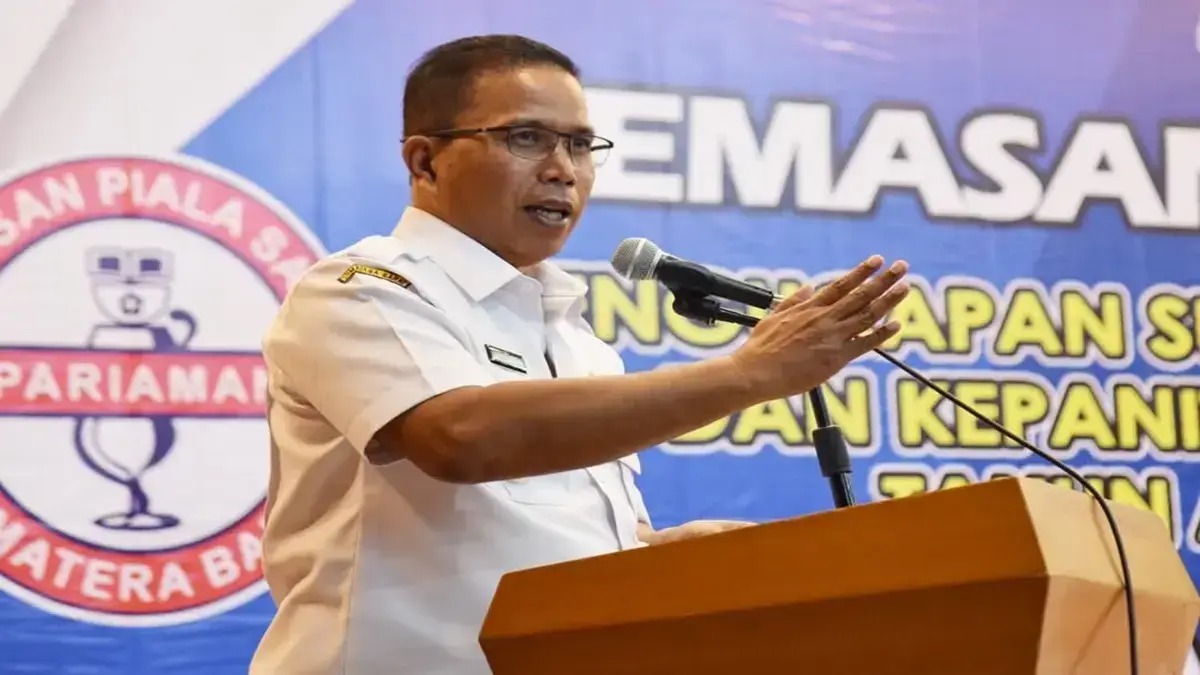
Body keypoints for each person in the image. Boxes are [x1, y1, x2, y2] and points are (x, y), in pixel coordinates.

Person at [248, 34, 911, 675]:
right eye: (525, 138)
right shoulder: (362, 288)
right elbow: (458, 438)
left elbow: (560, 538)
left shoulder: (576, 340)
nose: (563, 169)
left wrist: (665, 553)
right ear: (425, 162)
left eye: (580, 144)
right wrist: (746, 374)